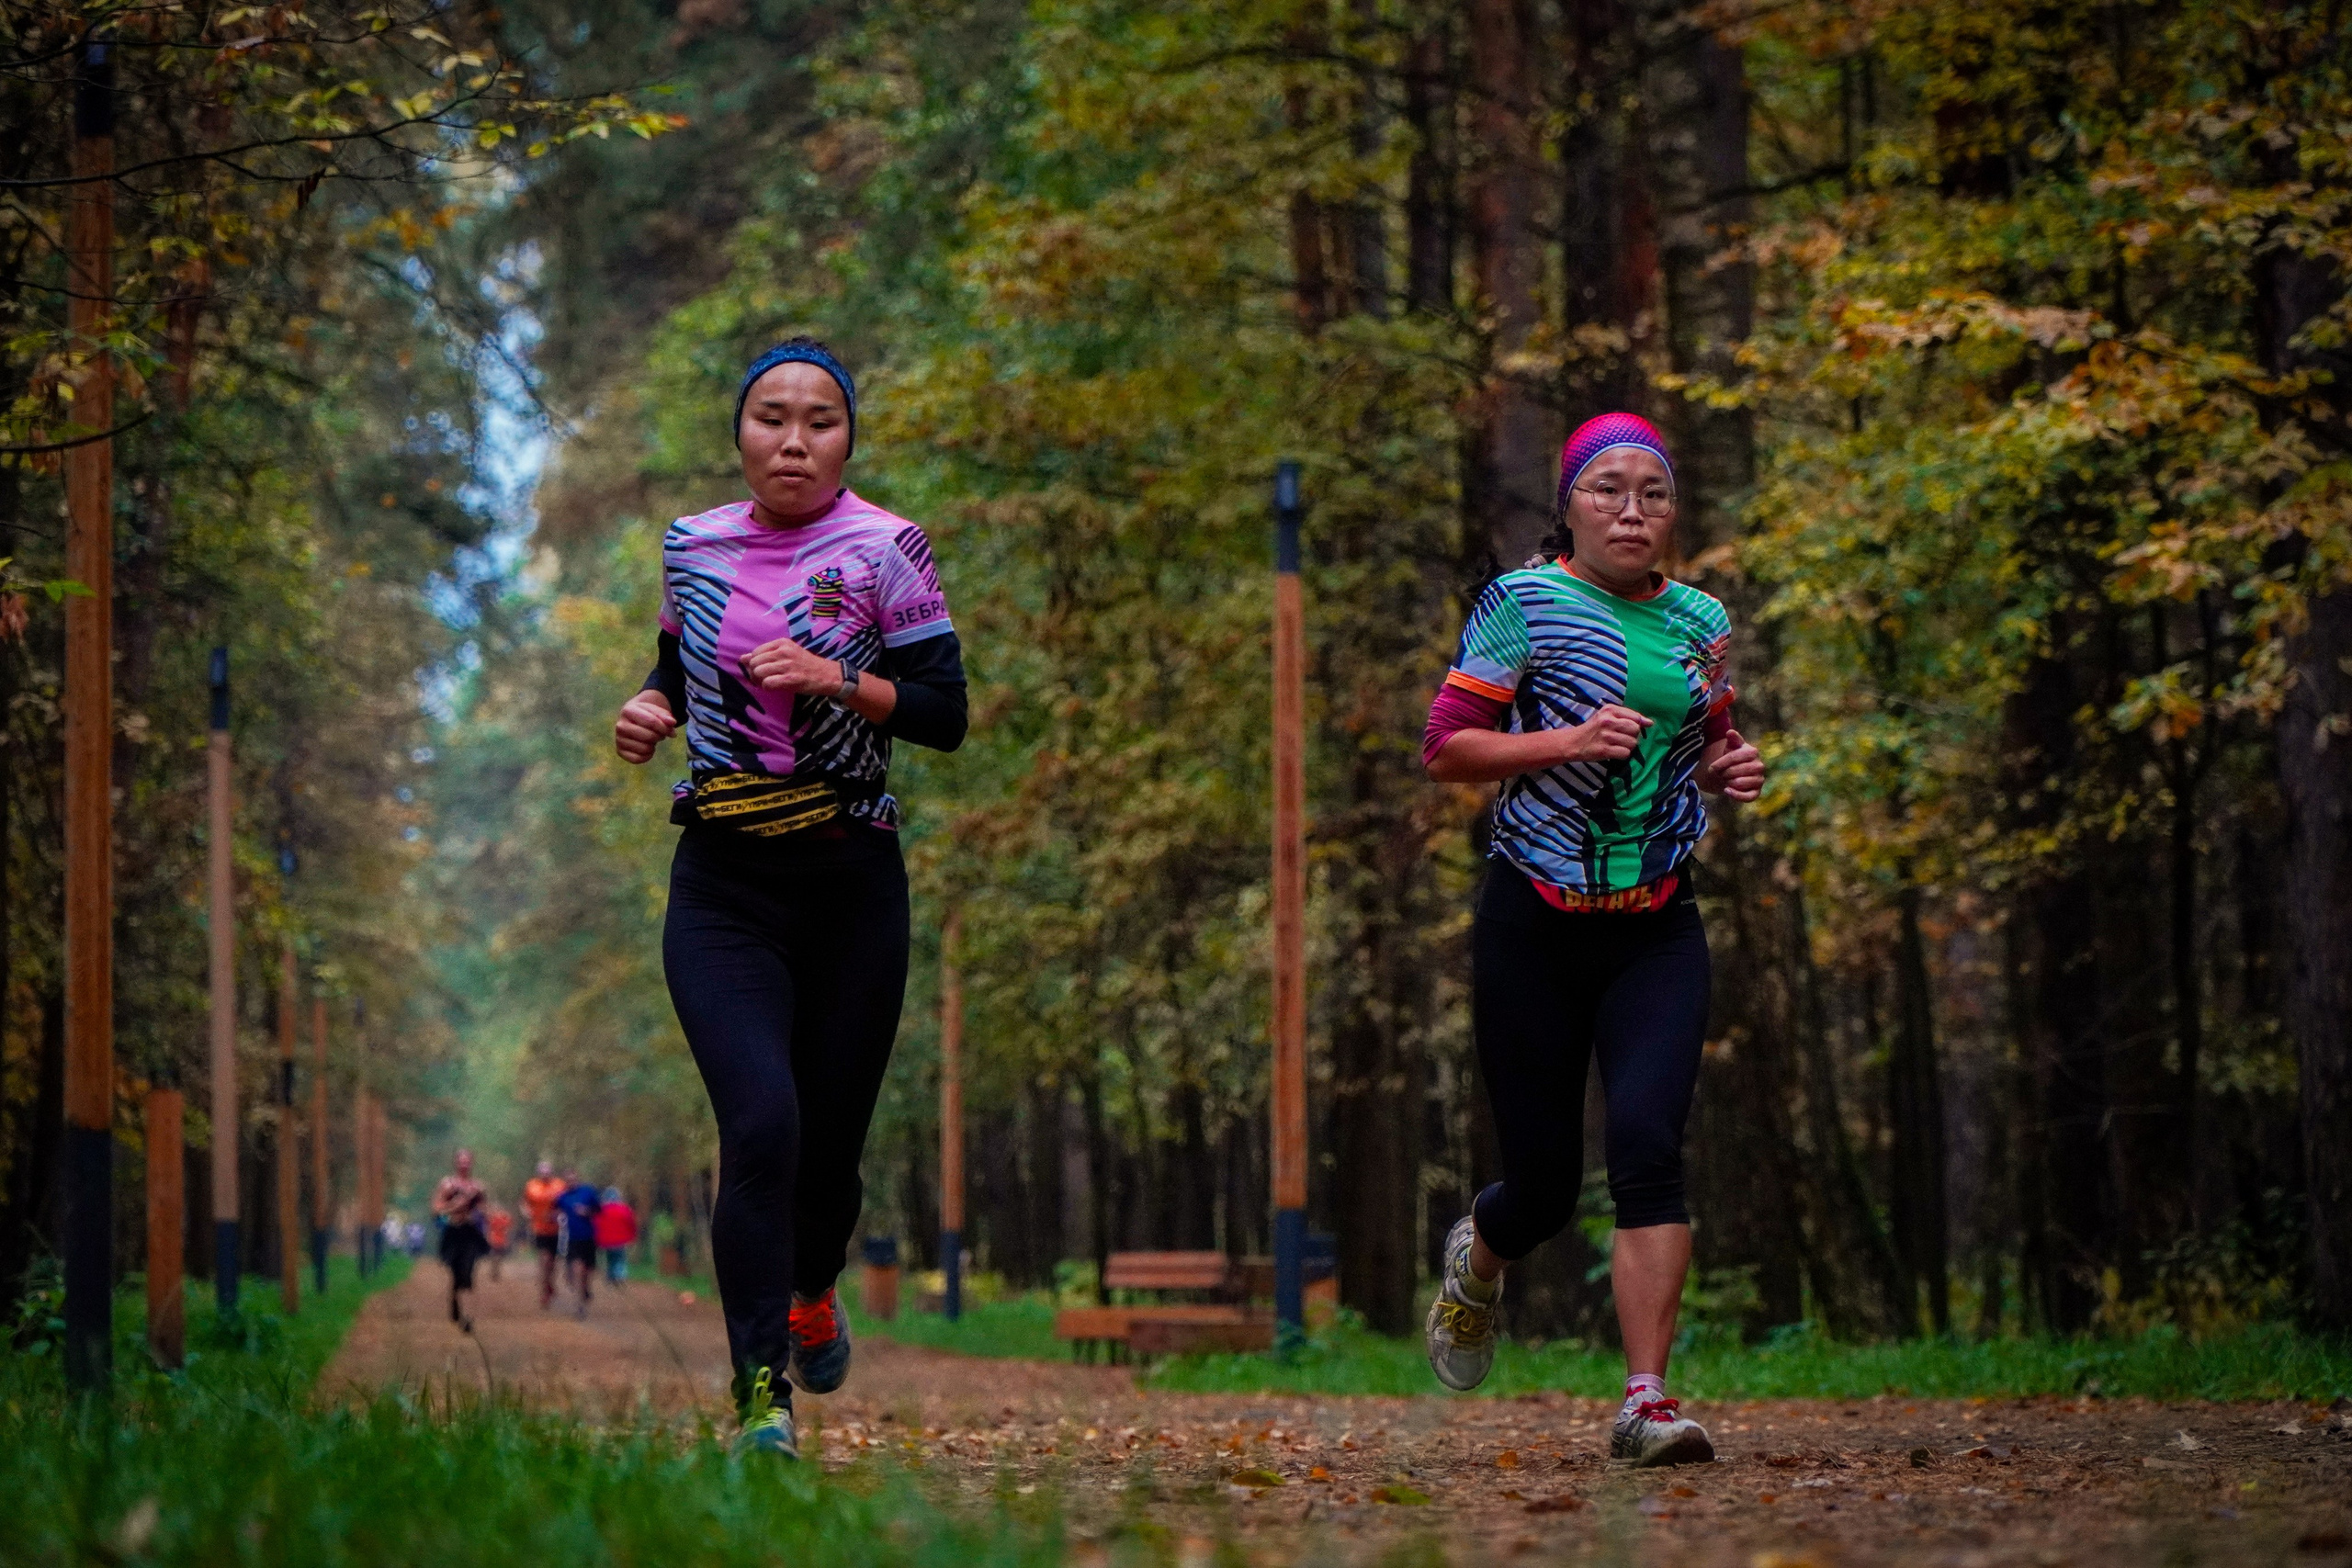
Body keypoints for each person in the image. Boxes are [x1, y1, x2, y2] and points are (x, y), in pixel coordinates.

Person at [613, 337, 967, 1460]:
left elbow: (943, 711)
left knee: (829, 1155)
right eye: (773, 416)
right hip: (722, 880)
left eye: (820, 419)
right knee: (760, 1123)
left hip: (851, 878)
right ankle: (759, 1395)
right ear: (742, 432)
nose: (795, 438)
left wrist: (839, 681)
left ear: (847, 438)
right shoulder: (693, 544)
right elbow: (678, 663)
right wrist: (648, 706)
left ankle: (814, 1288)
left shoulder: (887, 548)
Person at [1419, 412, 1766, 1468]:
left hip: (1658, 920)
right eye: (1607, 489)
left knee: (1650, 1147)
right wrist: (1562, 741)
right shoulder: (1522, 604)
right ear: (1568, 505)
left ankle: (1646, 1400)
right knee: (1544, 1189)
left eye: (1652, 492)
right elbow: (1445, 748)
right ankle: (1481, 1255)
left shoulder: (1701, 619)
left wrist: (1725, 769)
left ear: (1672, 511)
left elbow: (1704, 736)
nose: (1631, 509)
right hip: (1533, 918)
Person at [431, 1148, 491, 1331]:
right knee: (456, 1274)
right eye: (461, 1161)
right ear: (456, 1163)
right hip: (452, 1233)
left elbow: (485, 1210)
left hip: (470, 1234)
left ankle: (467, 1317)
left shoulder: (478, 1187)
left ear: (472, 1163)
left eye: (467, 1161)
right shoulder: (447, 1184)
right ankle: (455, 1301)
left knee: (468, 1272)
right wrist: (453, 1207)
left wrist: (479, 1213)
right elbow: (436, 1208)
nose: (464, 1164)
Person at [554, 1168, 602, 1317]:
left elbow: (599, 1210)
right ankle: (579, 1306)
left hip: (589, 1237)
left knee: (588, 1270)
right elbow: (554, 1212)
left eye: (573, 1179)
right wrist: (556, 1218)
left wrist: (587, 1211)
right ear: (565, 1182)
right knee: (577, 1270)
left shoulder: (588, 1192)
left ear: (578, 1179)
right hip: (572, 1239)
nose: (571, 1182)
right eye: (568, 1180)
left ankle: (586, 1288)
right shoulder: (561, 1198)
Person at [522, 1160, 565, 1310]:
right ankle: (544, 1293)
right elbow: (524, 1203)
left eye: (548, 1171)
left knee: (553, 1263)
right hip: (538, 1229)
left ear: (552, 1172)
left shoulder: (560, 1186)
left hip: (556, 1229)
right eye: (542, 1171)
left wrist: (557, 1213)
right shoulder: (531, 1186)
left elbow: (565, 1204)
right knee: (544, 1260)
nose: (545, 1174)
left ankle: (550, 1284)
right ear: (538, 1172)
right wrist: (526, 1211)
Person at [595, 1188, 638, 1283]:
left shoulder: (601, 1210)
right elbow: (631, 1224)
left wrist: (597, 1239)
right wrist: (632, 1236)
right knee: (620, 1258)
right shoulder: (624, 1210)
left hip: (606, 1241)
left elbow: (596, 1225)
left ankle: (611, 1276)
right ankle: (619, 1275)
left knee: (610, 1258)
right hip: (621, 1240)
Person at [486, 1201, 514, 1282]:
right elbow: (509, 1225)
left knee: (495, 1255)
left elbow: (488, 1226)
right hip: (500, 1240)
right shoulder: (503, 1217)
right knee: (498, 1256)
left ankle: (494, 1270)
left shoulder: (493, 1217)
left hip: (495, 1239)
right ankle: (495, 1271)